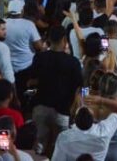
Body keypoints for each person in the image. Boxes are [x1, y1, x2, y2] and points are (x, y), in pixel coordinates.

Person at [30, 25, 83, 156]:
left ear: (48, 39)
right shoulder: (73, 62)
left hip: (40, 106)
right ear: (65, 40)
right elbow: (81, 87)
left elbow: (32, 80)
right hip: (63, 111)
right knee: (60, 147)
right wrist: (81, 103)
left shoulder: (39, 58)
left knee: (39, 145)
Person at [50, 103, 117, 161]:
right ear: (93, 119)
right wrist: (100, 100)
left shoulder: (64, 137)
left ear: (75, 120)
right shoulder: (104, 132)